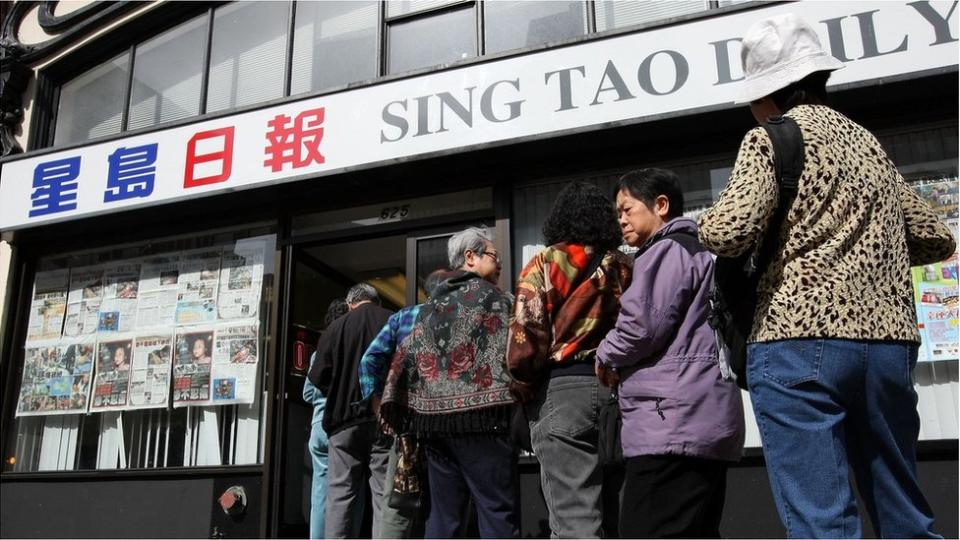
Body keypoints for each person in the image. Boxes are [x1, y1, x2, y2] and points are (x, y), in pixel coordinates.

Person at [698, 13, 955, 539]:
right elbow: (935, 235)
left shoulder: (770, 138)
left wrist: (701, 219)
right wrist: (864, 249)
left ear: (767, 91)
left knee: (823, 520)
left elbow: (728, 232)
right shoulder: (868, 144)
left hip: (797, 337)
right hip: (887, 342)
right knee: (903, 511)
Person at [597, 168, 745, 538]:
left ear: (661, 205)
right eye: (618, 213)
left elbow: (641, 327)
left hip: (669, 422)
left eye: (627, 209)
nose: (621, 220)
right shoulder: (703, 251)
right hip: (707, 417)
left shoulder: (665, 251)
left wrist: (604, 353)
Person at [507, 181, 633, 538]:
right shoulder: (625, 265)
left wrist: (522, 386)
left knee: (573, 519)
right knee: (613, 511)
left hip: (561, 393)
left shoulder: (545, 263)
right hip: (617, 393)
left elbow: (525, 339)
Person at [380, 226, 519, 539]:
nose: (499, 265)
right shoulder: (497, 301)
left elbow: (407, 357)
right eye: (495, 257)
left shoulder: (429, 307)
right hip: (486, 425)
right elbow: (520, 352)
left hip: (434, 429)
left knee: (443, 518)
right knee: (497, 513)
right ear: (470, 257)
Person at [308, 285, 393, 538]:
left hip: (344, 421)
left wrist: (341, 390)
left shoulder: (335, 329)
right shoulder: (391, 321)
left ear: (349, 303)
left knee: (340, 495)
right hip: (383, 419)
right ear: (376, 302)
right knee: (383, 495)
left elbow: (318, 377)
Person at [304, 298, 349, 540]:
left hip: (317, 428)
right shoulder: (349, 348)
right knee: (347, 489)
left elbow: (307, 392)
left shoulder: (318, 353)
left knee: (319, 493)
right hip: (340, 426)